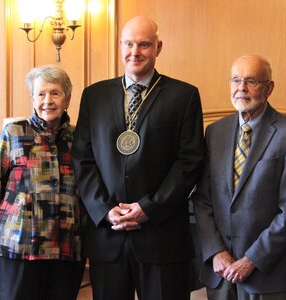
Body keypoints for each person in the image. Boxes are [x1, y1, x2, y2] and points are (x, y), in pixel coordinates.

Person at [72, 16, 204, 300]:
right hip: (108, 235)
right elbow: (83, 160)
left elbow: (189, 162)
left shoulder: (184, 96)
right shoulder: (93, 96)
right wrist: (105, 210)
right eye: (129, 44)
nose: (136, 52)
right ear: (120, 46)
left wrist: (148, 208)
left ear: (158, 47)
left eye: (144, 44)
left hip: (162, 237)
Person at [194, 54, 286, 300]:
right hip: (221, 273)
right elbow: (202, 200)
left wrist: (252, 259)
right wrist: (215, 250)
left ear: (269, 88)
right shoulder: (214, 132)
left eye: (251, 81)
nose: (241, 88)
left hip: (267, 275)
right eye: (236, 80)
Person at [0, 65, 85, 300]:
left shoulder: (81, 138)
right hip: (19, 246)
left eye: (55, 93)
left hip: (67, 246)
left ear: (67, 99)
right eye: (41, 94)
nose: (48, 100)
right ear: (32, 99)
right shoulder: (14, 133)